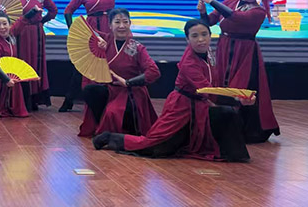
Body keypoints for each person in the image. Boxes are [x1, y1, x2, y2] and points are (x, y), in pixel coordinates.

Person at [93, 18, 251, 162]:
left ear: (210, 35)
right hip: (181, 108)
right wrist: (237, 98)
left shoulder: (209, 53)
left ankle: (231, 153)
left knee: (226, 114)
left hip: (199, 107)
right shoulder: (188, 63)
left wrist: (240, 97)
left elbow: (214, 87)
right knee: (154, 147)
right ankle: (110, 138)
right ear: (187, 39)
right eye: (195, 36)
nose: (201, 40)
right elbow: (208, 90)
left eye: (204, 34)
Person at [198, 0, 280, 143]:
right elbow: (209, 22)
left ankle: (245, 130)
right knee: (221, 85)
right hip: (224, 47)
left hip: (245, 53)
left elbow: (236, 17)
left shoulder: (258, 11)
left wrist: (211, 1)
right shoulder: (230, 2)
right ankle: (221, 127)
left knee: (242, 87)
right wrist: (203, 11)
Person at [61, 0, 148, 111]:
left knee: (112, 61)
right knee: (85, 65)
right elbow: (68, 11)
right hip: (92, 30)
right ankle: (69, 100)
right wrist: (73, 30)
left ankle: (112, 96)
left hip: (110, 27)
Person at [78, 8, 159, 138]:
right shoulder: (104, 41)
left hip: (130, 91)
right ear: (110, 25)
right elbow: (86, 30)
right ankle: (101, 124)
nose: (122, 26)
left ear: (130, 24)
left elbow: (154, 72)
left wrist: (128, 82)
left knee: (113, 112)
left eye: (125, 22)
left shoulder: (137, 47)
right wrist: (98, 44)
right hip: (110, 89)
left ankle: (114, 133)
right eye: (117, 22)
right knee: (90, 90)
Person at [15, 0, 58, 110]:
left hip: (36, 32)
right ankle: (21, 97)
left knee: (36, 61)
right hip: (20, 32)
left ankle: (34, 98)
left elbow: (54, 10)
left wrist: (42, 21)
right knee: (21, 60)